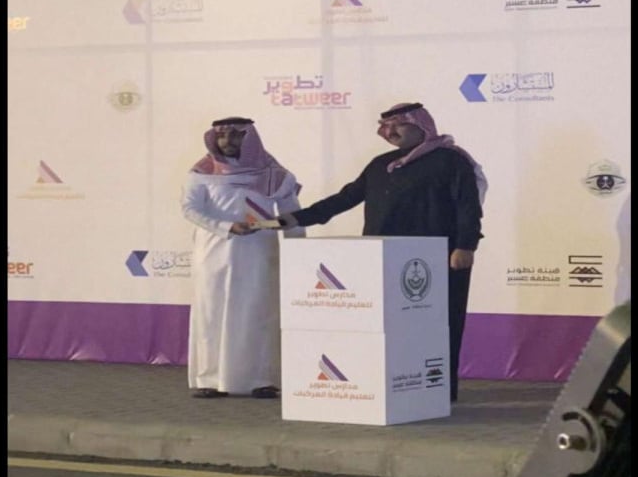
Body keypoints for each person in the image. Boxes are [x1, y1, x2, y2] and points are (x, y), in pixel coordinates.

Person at [277, 102, 487, 402]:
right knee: (390, 326)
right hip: (383, 261)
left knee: (440, 323)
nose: (390, 132)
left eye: (397, 124)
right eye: (385, 126)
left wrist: (465, 245)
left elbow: (468, 206)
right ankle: (395, 385)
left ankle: (439, 388)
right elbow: (346, 198)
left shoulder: (451, 160)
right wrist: (297, 218)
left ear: (421, 125)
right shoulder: (380, 164)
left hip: (439, 260)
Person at [181, 116, 304, 399]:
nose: (227, 141)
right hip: (214, 252)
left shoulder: (276, 174)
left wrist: (299, 251)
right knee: (212, 312)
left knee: (258, 311)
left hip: (259, 251)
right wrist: (226, 227)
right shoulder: (201, 172)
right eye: (222, 136)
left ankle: (261, 379)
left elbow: (293, 215)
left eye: (236, 135)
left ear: (250, 138)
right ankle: (210, 379)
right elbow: (190, 209)